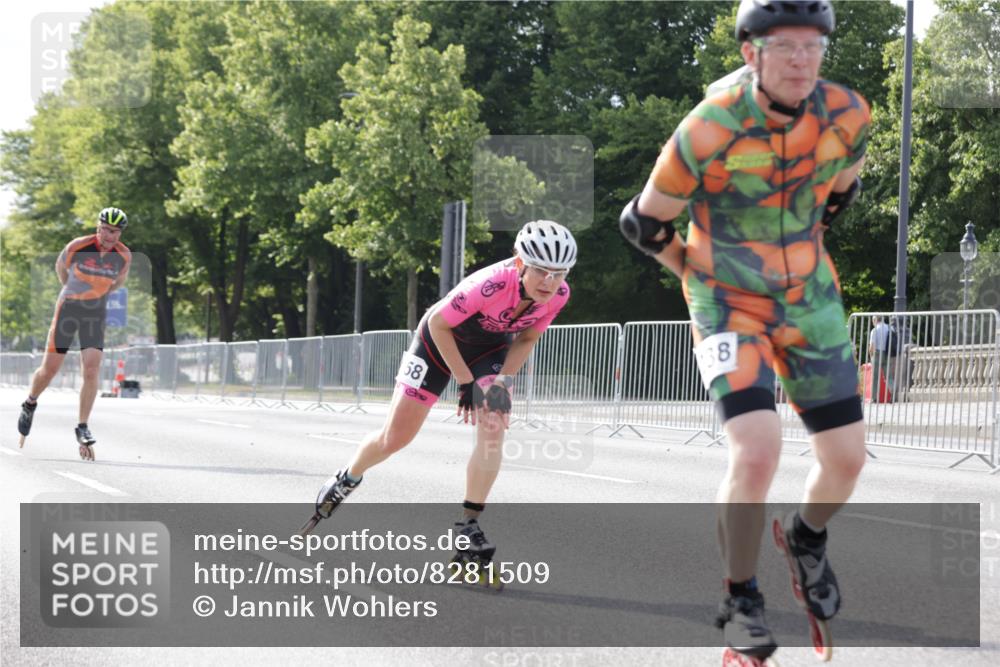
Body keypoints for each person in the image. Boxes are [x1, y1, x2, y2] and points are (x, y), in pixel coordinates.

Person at [619, 0, 869, 661]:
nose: (801, 59)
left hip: (808, 299)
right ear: (750, 52)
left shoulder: (848, 113)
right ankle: (740, 598)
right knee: (757, 450)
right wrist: (695, 270)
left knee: (847, 458)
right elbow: (642, 222)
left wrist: (798, 248)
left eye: (813, 45)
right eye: (784, 45)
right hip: (726, 301)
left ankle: (806, 536)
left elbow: (842, 192)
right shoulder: (709, 126)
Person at [304, 220, 576, 569]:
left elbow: (527, 338)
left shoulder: (559, 295)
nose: (550, 282)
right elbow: (438, 324)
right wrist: (465, 382)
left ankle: (468, 525)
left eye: (559, 273)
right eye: (541, 271)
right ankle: (348, 476)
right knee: (395, 438)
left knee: (493, 425)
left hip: (488, 349)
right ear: (521, 263)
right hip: (437, 344)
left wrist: (501, 384)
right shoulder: (490, 284)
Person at [17, 207, 132, 461]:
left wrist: (99, 294)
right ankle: (30, 402)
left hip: (95, 313)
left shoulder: (123, 255)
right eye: (106, 230)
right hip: (68, 309)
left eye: (115, 232)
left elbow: (119, 281)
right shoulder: (78, 246)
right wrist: (71, 290)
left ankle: (82, 426)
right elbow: (61, 268)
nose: (110, 236)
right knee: (50, 370)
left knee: (91, 369)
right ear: (98, 227)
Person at [868, 315, 890, 400]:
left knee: (875, 377)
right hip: (887, 353)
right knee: (888, 376)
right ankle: (894, 393)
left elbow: (872, 346)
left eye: (873, 321)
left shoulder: (875, 330)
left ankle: (874, 398)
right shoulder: (889, 328)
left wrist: (871, 356)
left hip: (877, 353)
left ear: (875, 320)